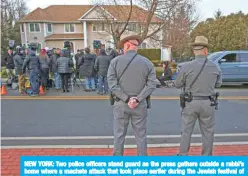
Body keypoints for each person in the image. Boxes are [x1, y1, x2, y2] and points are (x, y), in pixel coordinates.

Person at [107, 33, 157, 156]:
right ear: (135, 47)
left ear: (127, 45)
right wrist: (138, 99)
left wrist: (126, 98)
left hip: (121, 104)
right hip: (140, 105)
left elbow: (112, 84)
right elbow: (151, 84)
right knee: (141, 136)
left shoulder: (115, 62)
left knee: (119, 136)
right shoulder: (147, 63)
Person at [175, 36, 222, 156]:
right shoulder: (215, 67)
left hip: (190, 102)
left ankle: (183, 155)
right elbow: (218, 83)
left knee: (186, 131)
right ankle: (206, 157)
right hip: (208, 103)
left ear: (194, 51)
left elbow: (177, 84)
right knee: (208, 132)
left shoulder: (186, 66)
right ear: (206, 51)